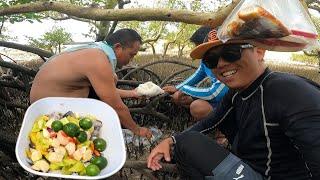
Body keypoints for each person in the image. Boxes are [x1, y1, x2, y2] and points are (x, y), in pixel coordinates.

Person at [147, 29, 320, 179]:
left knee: (188, 142)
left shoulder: (290, 91)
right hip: (249, 167)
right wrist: (170, 140)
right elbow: (209, 122)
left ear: (259, 51)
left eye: (231, 52)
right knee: (183, 142)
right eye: (212, 59)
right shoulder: (238, 93)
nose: (221, 64)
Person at [30, 28, 152, 138]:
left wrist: (133, 93)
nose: (130, 61)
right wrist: (137, 130)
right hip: (49, 111)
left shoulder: (96, 50)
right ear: (118, 47)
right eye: (131, 55)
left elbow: (107, 91)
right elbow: (117, 105)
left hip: (53, 102)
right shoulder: (98, 60)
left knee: (112, 79)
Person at [163, 26, 229, 121]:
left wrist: (184, 89)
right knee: (184, 99)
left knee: (197, 107)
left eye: (197, 45)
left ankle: (222, 129)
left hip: (229, 104)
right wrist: (177, 88)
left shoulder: (226, 63)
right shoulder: (205, 61)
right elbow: (198, 75)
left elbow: (214, 94)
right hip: (218, 101)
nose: (196, 49)